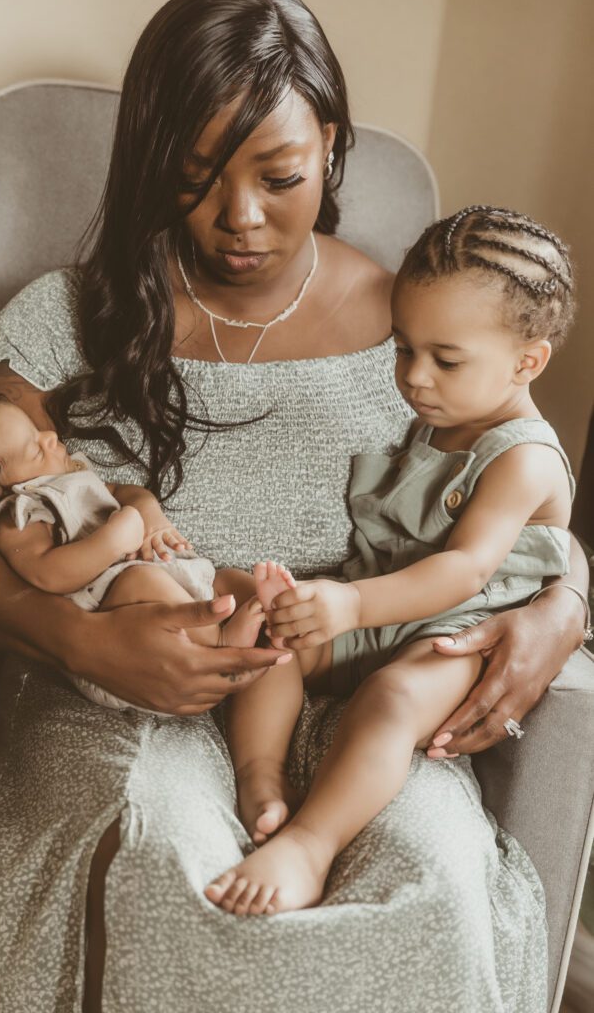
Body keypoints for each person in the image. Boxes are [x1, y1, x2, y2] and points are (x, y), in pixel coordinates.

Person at [0, 0, 588, 1011]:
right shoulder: (68, 315)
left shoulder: (411, 326)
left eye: (278, 176)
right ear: (152, 164)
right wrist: (75, 641)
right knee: (166, 865)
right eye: (195, 176)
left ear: (327, 142)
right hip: (125, 693)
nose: (239, 217)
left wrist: (562, 600)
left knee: (430, 874)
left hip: (350, 685)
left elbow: (513, 484)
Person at [206, 206, 576, 916]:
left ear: (527, 361)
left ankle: (310, 844)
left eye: (445, 358)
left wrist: (347, 605)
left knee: (391, 701)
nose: (413, 376)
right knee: (271, 641)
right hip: (381, 607)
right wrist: (314, 604)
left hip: (458, 635)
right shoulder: (438, 419)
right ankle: (259, 779)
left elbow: (464, 571)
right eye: (403, 348)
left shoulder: (524, 457)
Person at [0, 394, 278, 710]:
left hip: (159, 577)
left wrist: (149, 517)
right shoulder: (16, 515)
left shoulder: (65, 476)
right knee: (141, 580)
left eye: (40, 432)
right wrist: (114, 540)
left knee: (231, 580)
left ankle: (265, 624)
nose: (52, 437)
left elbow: (128, 494)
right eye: (35, 448)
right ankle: (222, 646)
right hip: (123, 626)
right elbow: (49, 575)